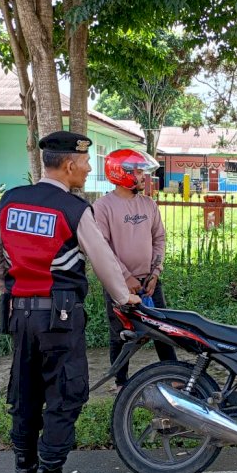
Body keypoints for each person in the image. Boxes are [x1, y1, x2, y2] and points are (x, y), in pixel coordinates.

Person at [0, 131, 141, 473]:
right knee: (64, 394)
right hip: (61, 315)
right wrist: (125, 297)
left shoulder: (11, 201)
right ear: (68, 165)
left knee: (25, 391)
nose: (87, 169)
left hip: (20, 315)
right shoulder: (73, 209)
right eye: (85, 163)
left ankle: (24, 472)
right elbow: (102, 260)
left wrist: (15, 290)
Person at [93, 149, 177, 391]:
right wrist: (125, 277)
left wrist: (155, 272)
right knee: (120, 333)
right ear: (122, 173)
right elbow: (102, 248)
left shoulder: (148, 204)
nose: (143, 176)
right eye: (138, 171)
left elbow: (159, 239)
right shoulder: (103, 207)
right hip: (118, 284)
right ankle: (121, 383)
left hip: (150, 282)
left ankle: (173, 375)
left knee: (163, 328)